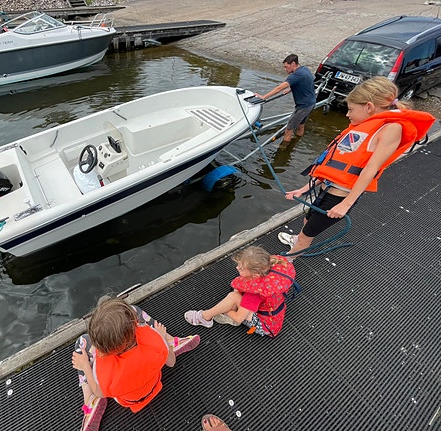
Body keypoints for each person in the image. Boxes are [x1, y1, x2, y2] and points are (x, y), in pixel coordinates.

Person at [277, 76, 436, 256]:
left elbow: (371, 169)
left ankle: (287, 263)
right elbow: (334, 169)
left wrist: (346, 204)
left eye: (351, 109)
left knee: (307, 236)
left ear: (369, 107)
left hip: (339, 197)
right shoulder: (362, 128)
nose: (347, 114)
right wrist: (303, 189)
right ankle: (298, 241)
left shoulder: (391, 129)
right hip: (326, 189)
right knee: (308, 221)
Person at [71, 297, 200, 431]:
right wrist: (162, 338)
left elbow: (100, 393)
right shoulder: (154, 340)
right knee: (134, 309)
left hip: (128, 400)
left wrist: (85, 366)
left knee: (81, 342)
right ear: (135, 323)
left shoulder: (104, 368)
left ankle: (89, 399)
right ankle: (171, 341)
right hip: (154, 386)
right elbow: (171, 363)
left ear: (103, 349)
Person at [184, 246, 295, 337]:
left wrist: (226, 310)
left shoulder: (255, 292)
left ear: (255, 275)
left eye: (241, 268)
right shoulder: (269, 276)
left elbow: (239, 318)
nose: (237, 268)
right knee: (236, 293)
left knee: (233, 296)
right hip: (273, 319)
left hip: (264, 326)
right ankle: (230, 307)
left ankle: (205, 317)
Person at [254, 54, 316, 145]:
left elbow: (279, 88)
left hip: (303, 106)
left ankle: (283, 148)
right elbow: (305, 82)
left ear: (293, 64)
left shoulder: (296, 75)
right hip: (311, 103)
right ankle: (296, 141)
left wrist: (264, 97)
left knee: (289, 129)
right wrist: (291, 88)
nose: (285, 69)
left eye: (286, 67)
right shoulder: (304, 69)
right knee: (301, 125)